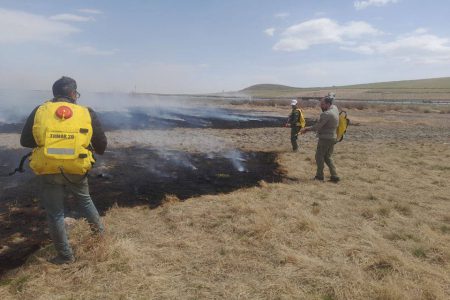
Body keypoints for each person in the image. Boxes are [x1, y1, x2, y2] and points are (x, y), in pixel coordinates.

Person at [20, 76, 107, 264]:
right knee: (85, 201)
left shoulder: (40, 110)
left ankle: (66, 257)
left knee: (55, 213)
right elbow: (101, 145)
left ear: (55, 94)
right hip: (76, 166)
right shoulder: (86, 111)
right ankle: (101, 239)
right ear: (74, 94)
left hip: (48, 167)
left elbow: (25, 141)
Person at [300, 93, 340, 182]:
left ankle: (319, 176)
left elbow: (317, 127)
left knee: (319, 156)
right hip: (333, 137)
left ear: (328, 104)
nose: (321, 106)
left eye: (323, 104)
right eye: (321, 104)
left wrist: (306, 129)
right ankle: (335, 175)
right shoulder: (335, 108)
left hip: (325, 138)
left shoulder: (326, 114)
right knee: (328, 157)